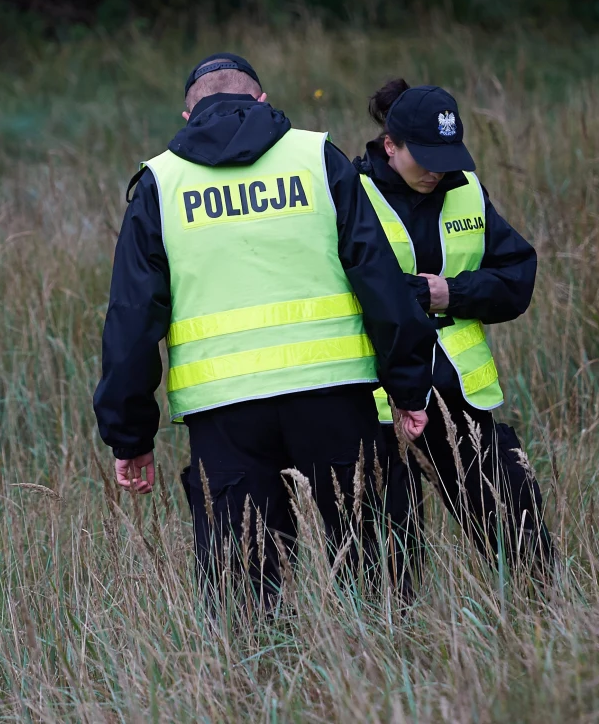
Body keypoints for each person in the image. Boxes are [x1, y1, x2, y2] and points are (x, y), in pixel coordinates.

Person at [92, 53, 435, 604]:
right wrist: (408, 385)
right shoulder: (315, 158)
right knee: (378, 569)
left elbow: (132, 320)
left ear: (188, 116)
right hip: (334, 394)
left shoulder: (162, 183)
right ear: (262, 101)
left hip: (225, 412)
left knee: (243, 592)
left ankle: (252, 686)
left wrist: (130, 436)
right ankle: (382, 672)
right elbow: (379, 279)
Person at [353, 79, 554, 593]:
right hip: (376, 403)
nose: (438, 170)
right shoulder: (351, 195)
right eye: (426, 157)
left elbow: (516, 279)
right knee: (385, 564)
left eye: (448, 155)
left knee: (522, 538)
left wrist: (450, 293)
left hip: (458, 395)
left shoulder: (466, 188)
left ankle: (542, 623)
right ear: (390, 145)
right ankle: (389, 655)